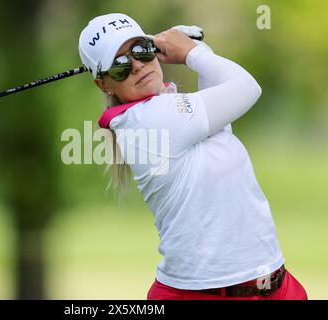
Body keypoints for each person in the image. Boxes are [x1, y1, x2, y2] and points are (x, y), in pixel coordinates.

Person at [78, 13, 308, 300]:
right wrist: (190, 52)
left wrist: (195, 49)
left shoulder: (170, 108)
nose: (137, 65)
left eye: (140, 50)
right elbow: (248, 87)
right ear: (104, 84)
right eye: (121, 65)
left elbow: (221, 87)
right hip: (207, 294)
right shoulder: (149, 119)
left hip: (275, 284)